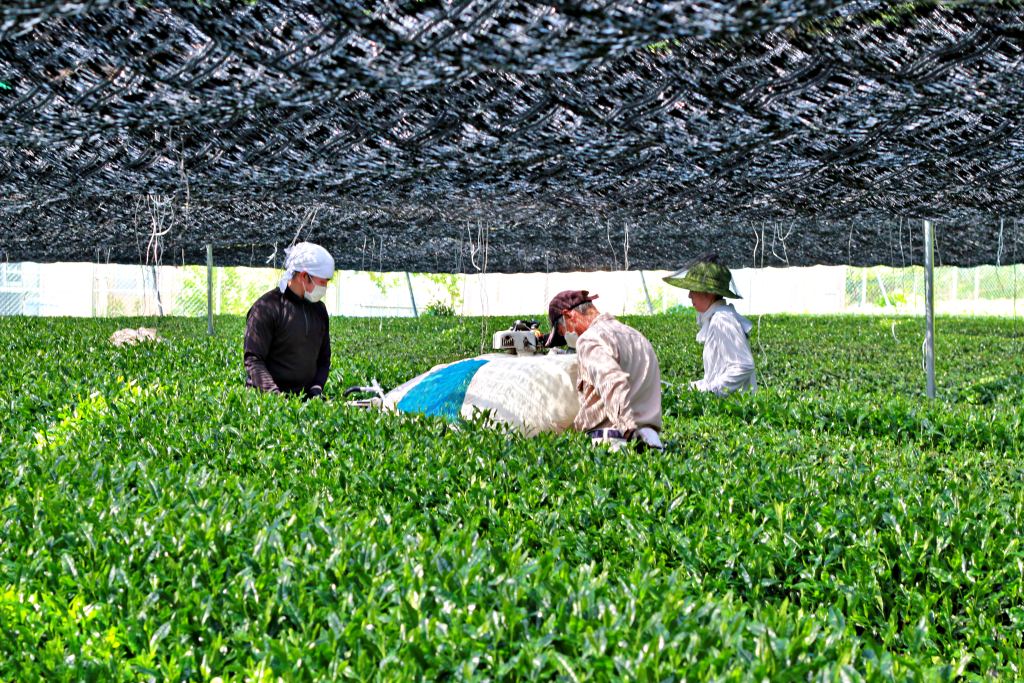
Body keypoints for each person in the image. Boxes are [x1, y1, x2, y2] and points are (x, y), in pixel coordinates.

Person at [545, 290, 663, 451]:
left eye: (562, 331)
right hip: (653, 441)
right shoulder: (636, 336)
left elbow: (611, 381)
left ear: (568, 316)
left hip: (616, 441)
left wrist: (630, 430)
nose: (566, 337)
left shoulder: (589, 339)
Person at [244, 242, 334, 399]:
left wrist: (316, 388)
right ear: (304, 276)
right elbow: (254, 360)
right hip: (267, 401)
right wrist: (276, 397)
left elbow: (324, 359)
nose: (325, 287)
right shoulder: (266, 307)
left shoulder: (319, 310)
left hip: (303, 400)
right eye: (322, 282)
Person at [664, 257, 757, 395]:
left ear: (710, 292)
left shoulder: (722, 319)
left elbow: (743, 365)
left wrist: (710, 392)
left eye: (694, 290)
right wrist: (687, 388)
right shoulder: (716, 318)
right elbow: (715, 376)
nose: (690, 295)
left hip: (734, 411)